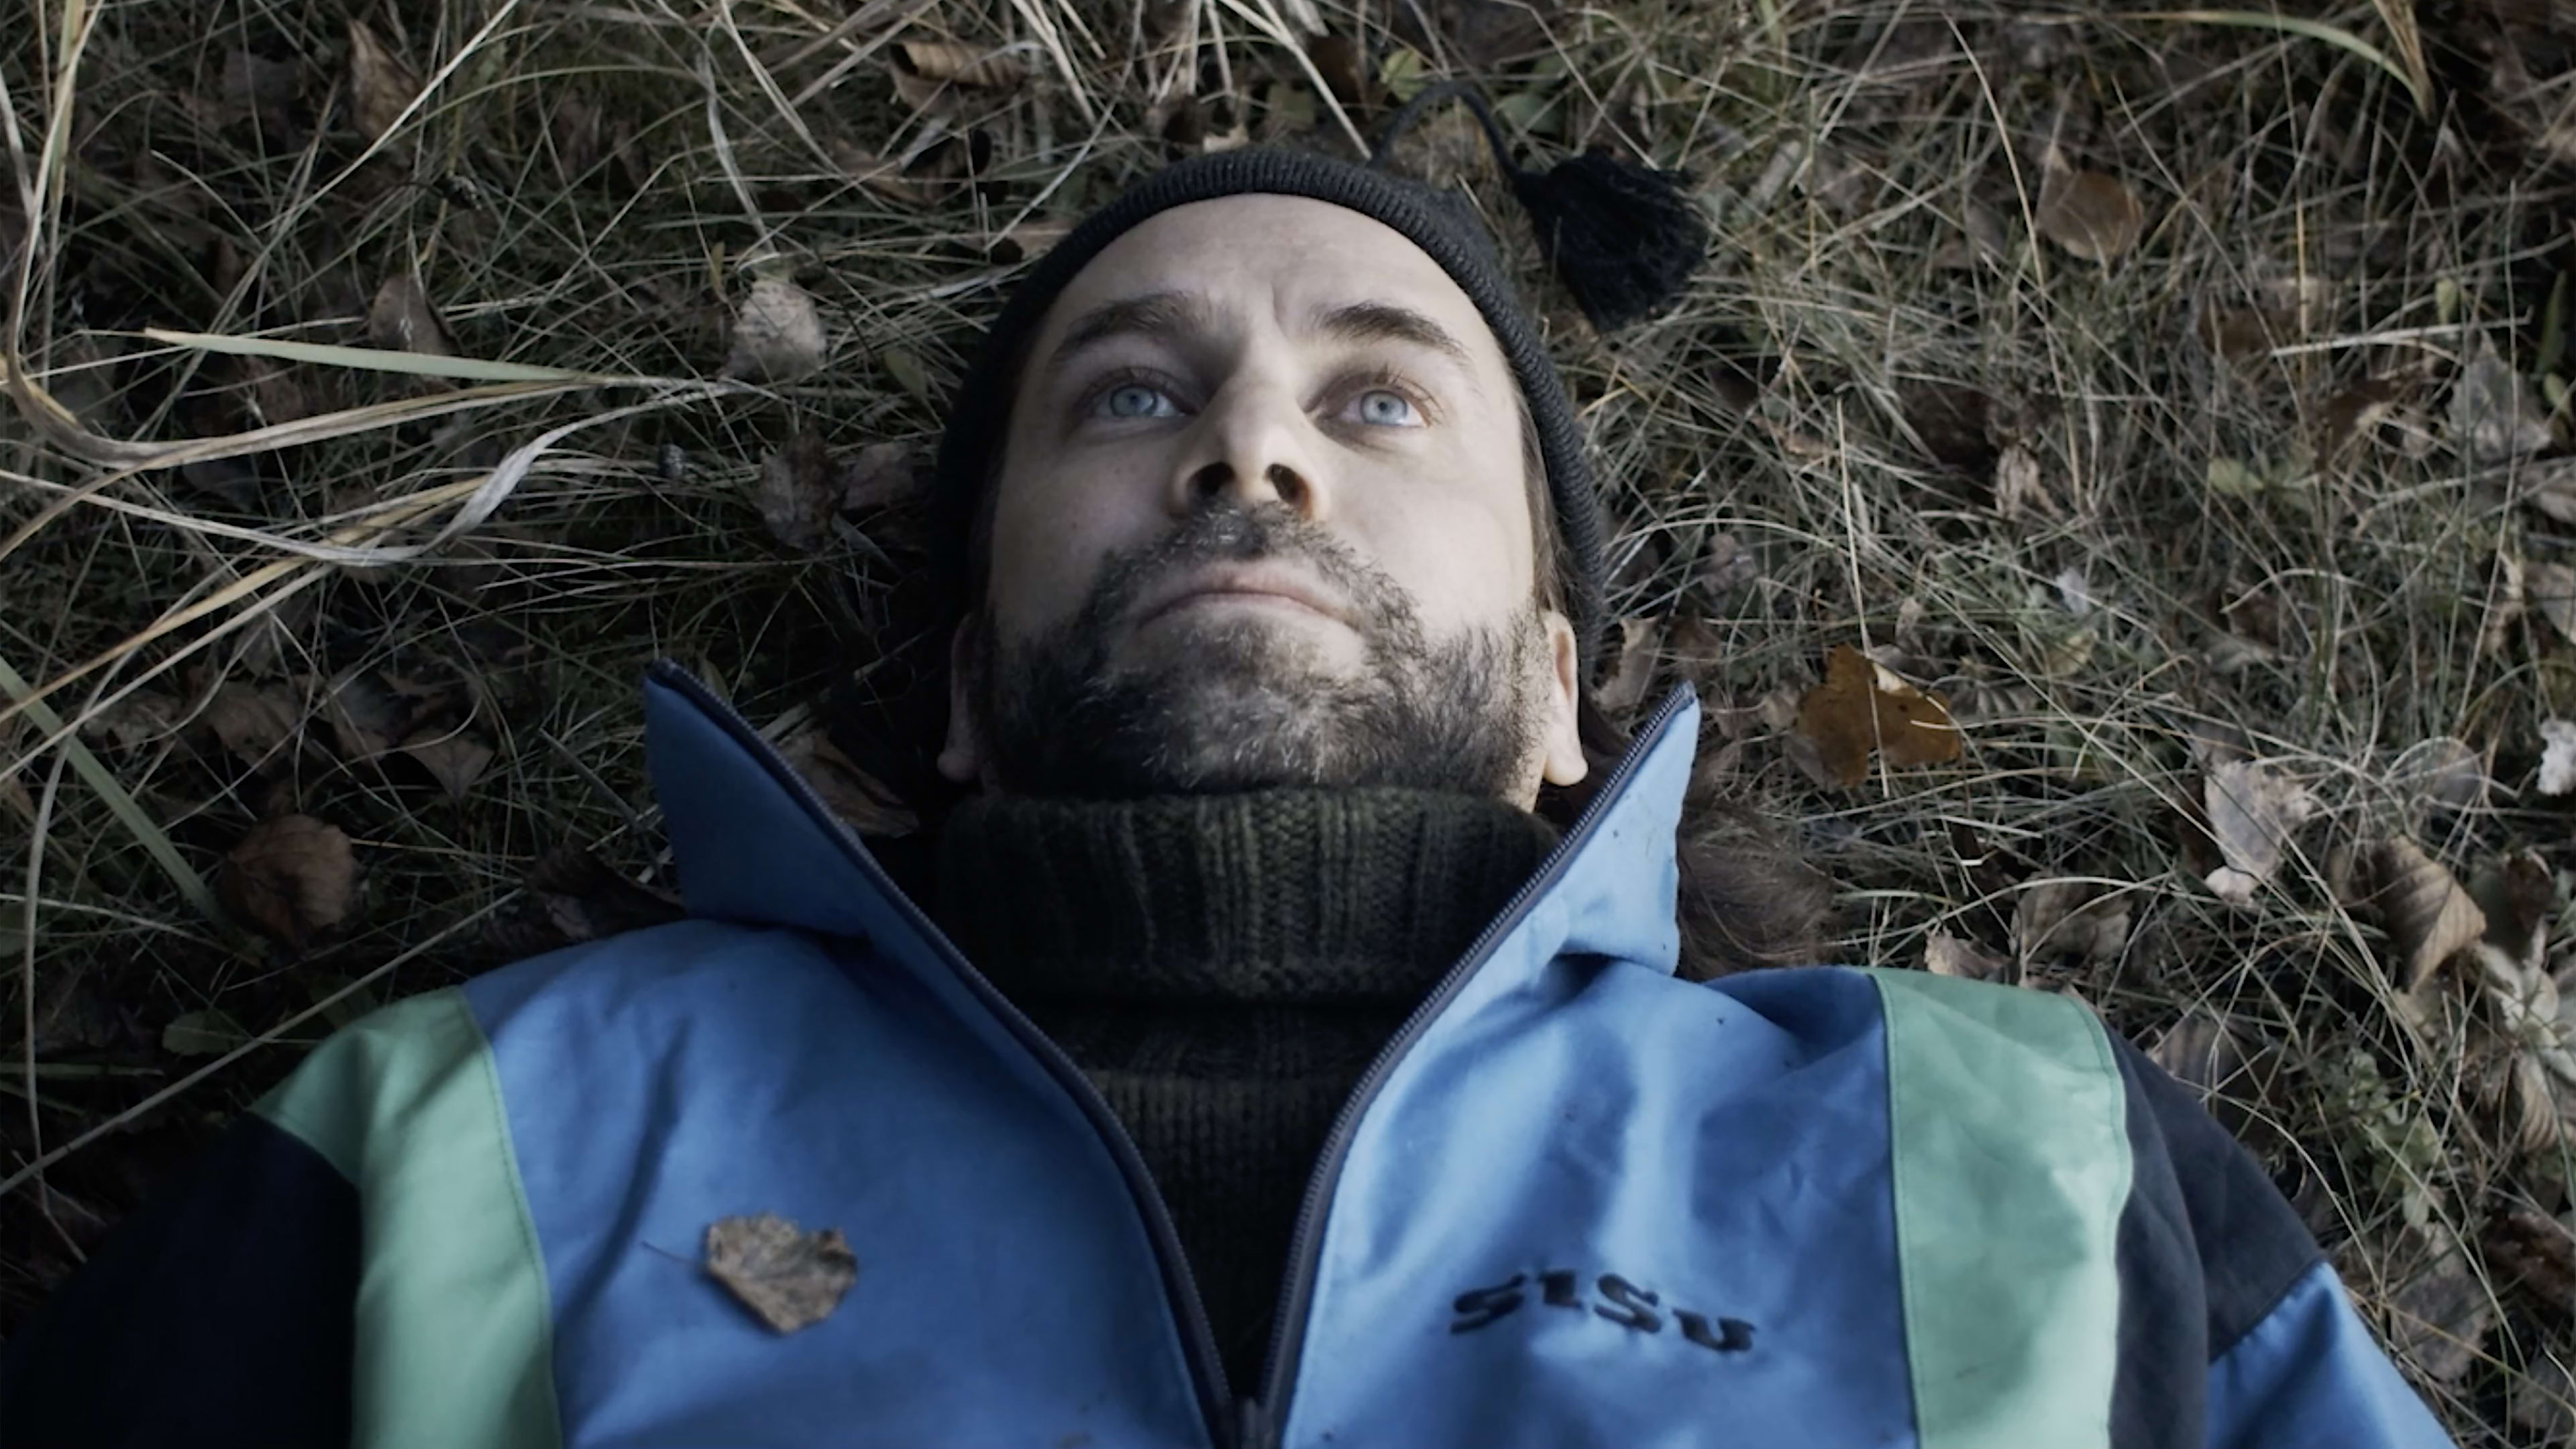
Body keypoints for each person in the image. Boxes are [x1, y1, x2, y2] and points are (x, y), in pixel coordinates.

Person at [0, 91, 2453, 1449]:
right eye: (1134, 393)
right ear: (967, 690)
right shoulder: (470, 1153)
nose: (1252, 450)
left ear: (1560, 689)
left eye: (1377, 401)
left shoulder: (2025, 1172)